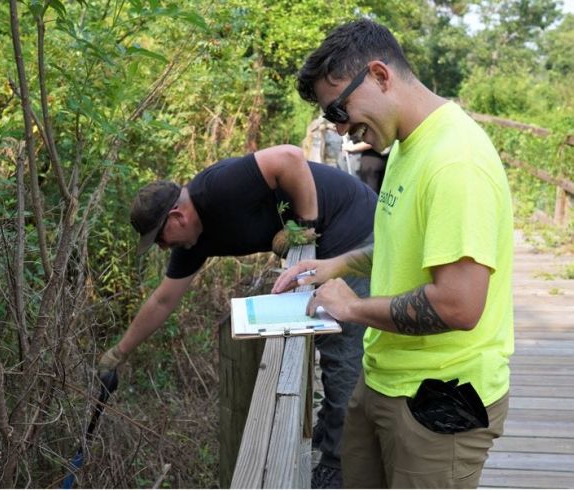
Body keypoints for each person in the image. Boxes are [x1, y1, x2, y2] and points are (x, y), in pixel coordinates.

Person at [273, 19, 514, 489]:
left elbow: (459, 305)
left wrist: (352, 308)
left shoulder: (455, 161)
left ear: (380, 76)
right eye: (331, 117)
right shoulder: (406, 144)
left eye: (338, 109)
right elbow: (401, 243)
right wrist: (336, 265)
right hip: (383, 378)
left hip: (439, 401)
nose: (340, 128)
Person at [98, 144, 379, 488]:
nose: (164, 248)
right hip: (325, 246)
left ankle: (337, 463)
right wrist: (118, 354)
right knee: (325, 339)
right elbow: (162, 300)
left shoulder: (218, 189)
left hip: (350, 227)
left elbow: (289, 158)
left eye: (160, 239)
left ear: (177, 217)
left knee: (342, 351)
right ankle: (332, 430)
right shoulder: (194, 241)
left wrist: (303, 226)